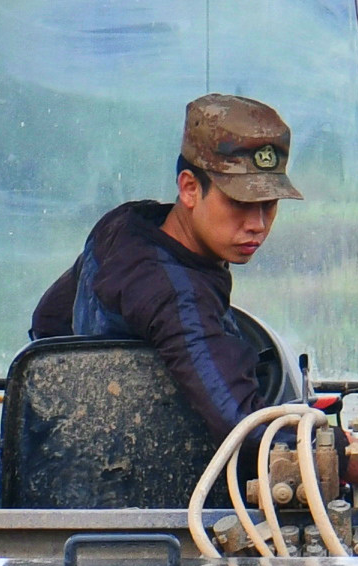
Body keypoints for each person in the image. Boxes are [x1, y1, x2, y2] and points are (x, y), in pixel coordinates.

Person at [28, 93, 309, 450]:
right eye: (240, 203)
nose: (257, 224)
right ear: (190, 188)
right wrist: (346, 457)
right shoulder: (175, 293)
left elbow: (48, 323)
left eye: (268, 205)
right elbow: (244, 427)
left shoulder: (124, 227)